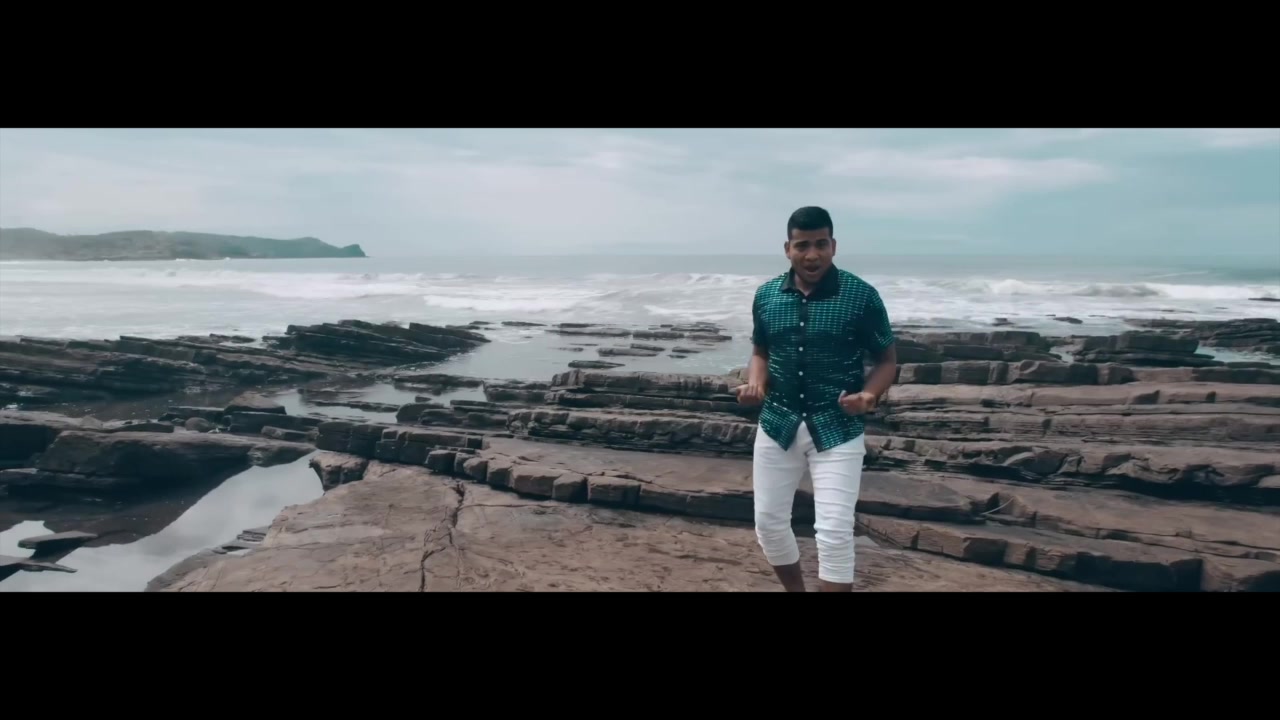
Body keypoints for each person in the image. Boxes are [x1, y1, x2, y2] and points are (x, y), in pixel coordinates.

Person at [733, 206, 898, 592]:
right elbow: (761, 351)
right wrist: (755, 384)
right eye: (803, 245)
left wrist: (869, 396)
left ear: (833, 246)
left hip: (837, 426)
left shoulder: (861, 296)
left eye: (821, 244)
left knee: (835, 533)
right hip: (778, 423)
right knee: (769, 525)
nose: (812, 255)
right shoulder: (767, 296)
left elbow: (887, 360)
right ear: (787, 248)